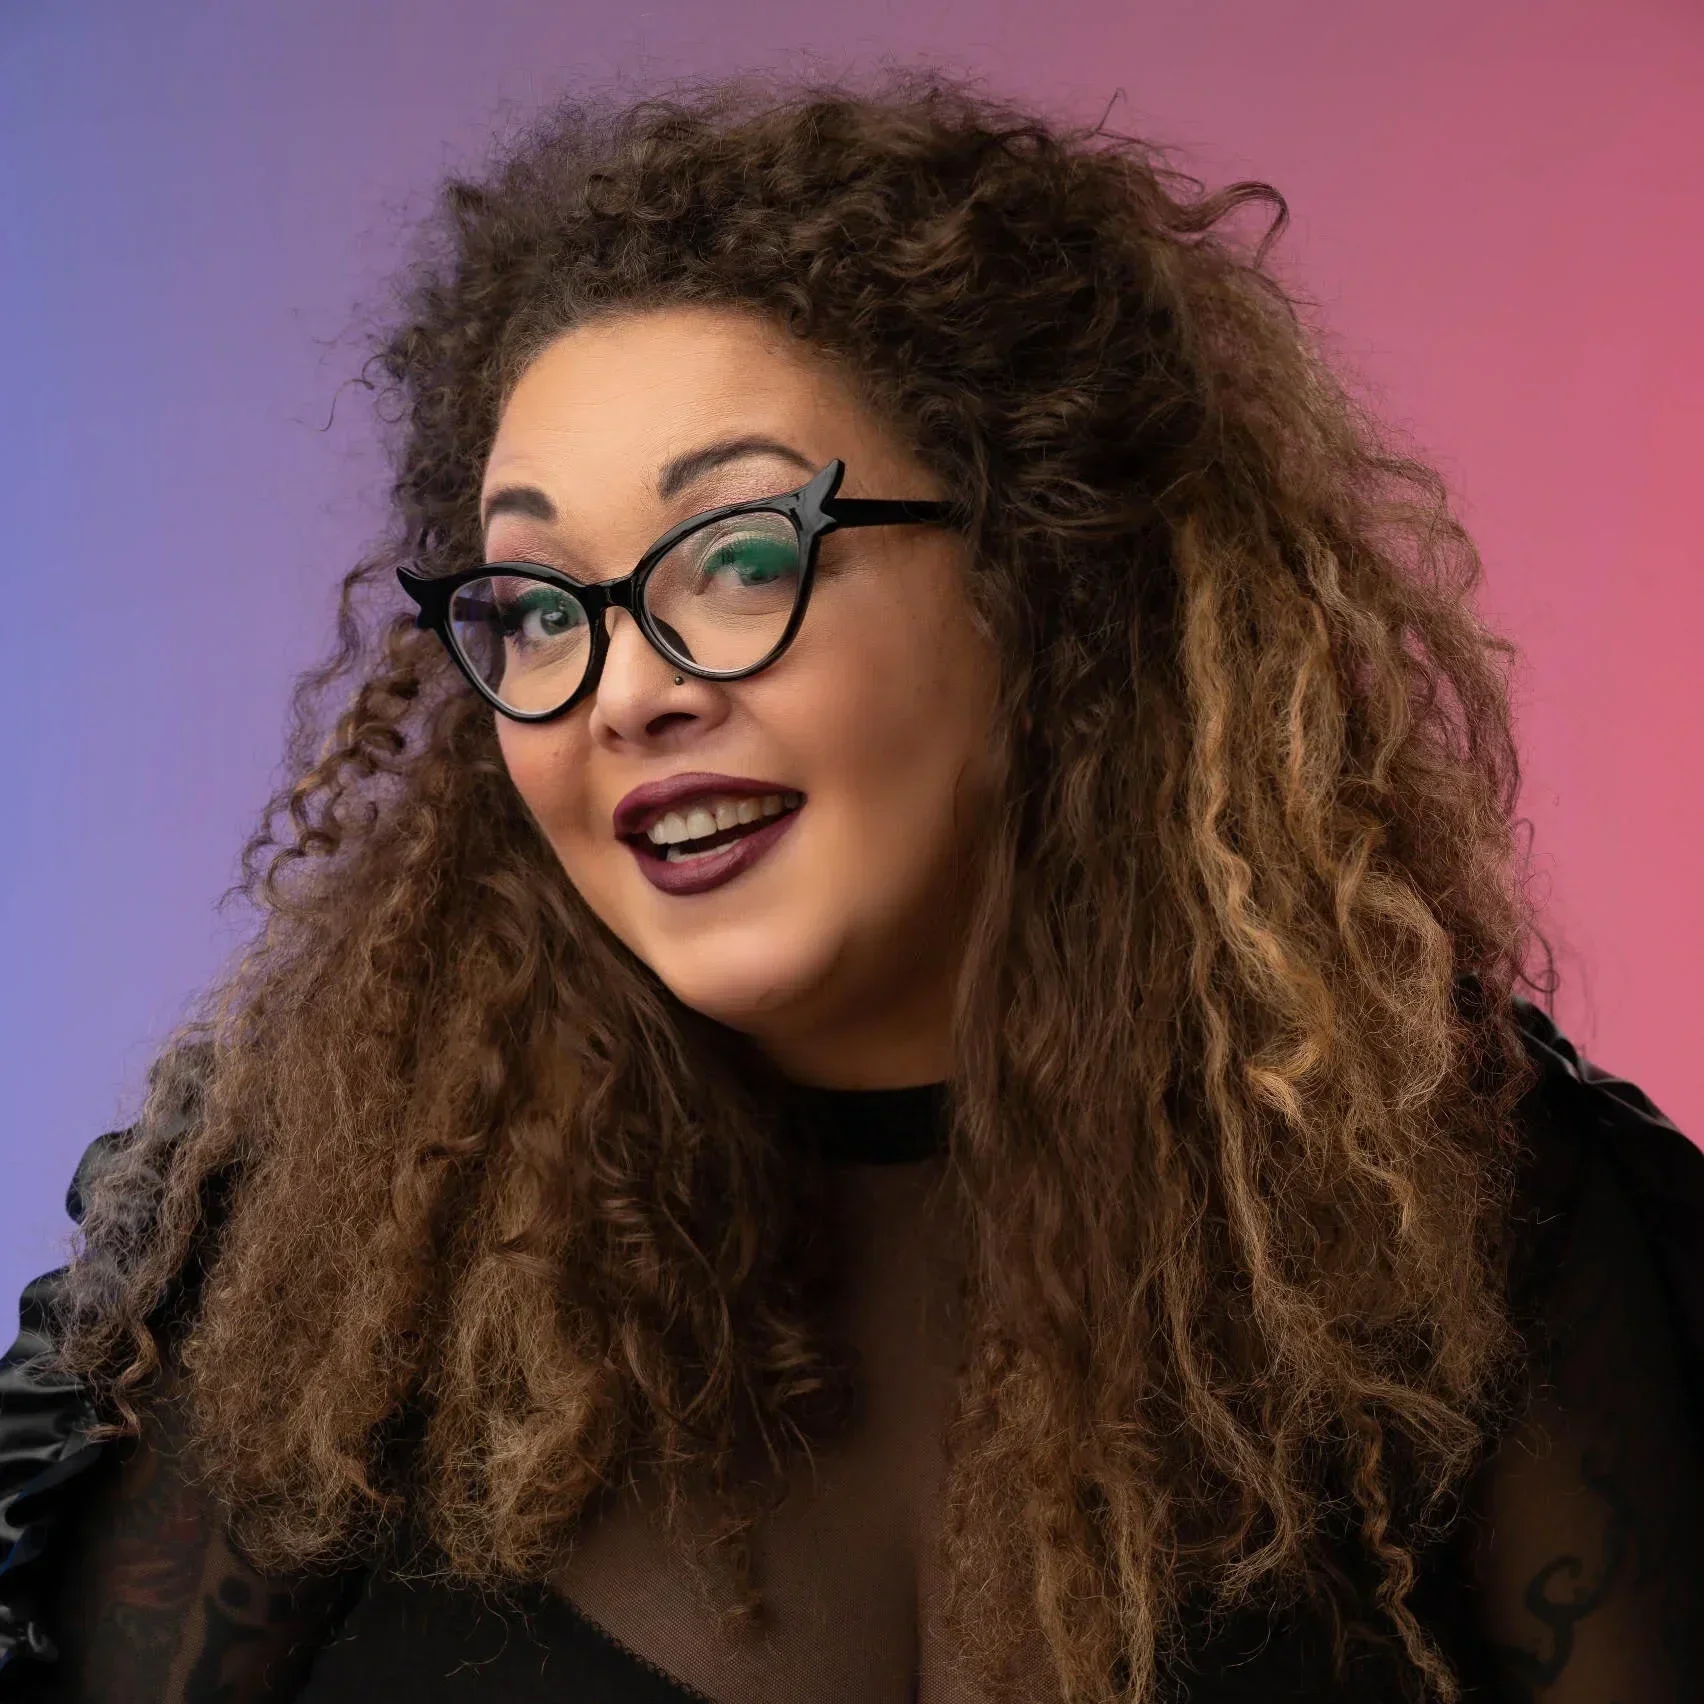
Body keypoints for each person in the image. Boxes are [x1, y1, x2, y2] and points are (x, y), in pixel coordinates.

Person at [2, 71, 1700, 1704]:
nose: (623, 692)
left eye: (744, 558)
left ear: (1045, 580)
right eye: (536, 607)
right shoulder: (321, 1248)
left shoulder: (1472, 1229)